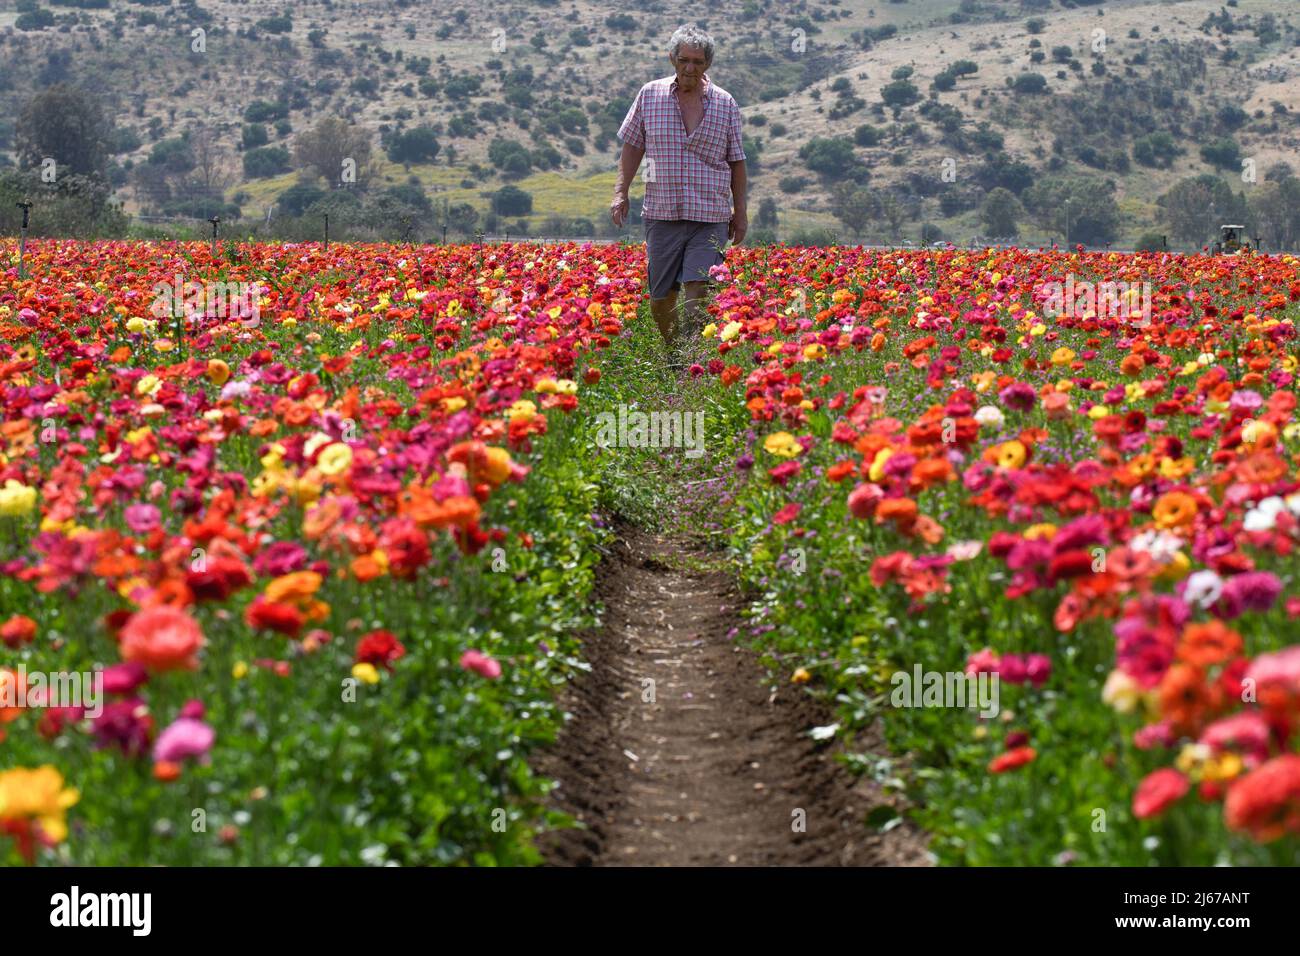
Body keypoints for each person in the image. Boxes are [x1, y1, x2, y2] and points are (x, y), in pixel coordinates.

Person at [609, 24, 747, 367]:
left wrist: (740, 211)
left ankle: (690, 363)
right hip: (662, 211)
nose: (690, 67)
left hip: (709, 214)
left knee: (697, 291)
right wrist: (620, 192)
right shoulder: (650, 95)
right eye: (684, 59)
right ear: (672, 59)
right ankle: (675, 357)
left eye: (698, 61)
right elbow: (632, 147)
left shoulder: (725, 104)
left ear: (708, 65)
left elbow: (737, 161)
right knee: (660, 300)